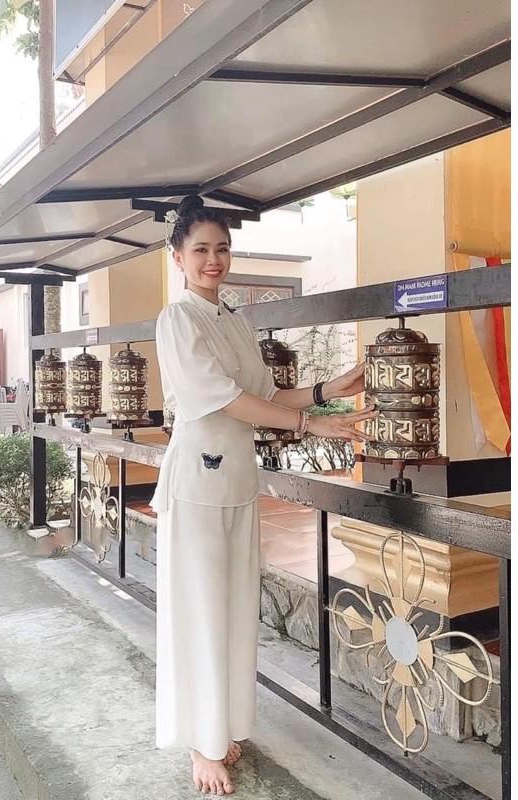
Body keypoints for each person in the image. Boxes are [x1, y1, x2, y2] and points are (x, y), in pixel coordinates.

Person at [150, 195, 376, 796]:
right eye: (201, 249)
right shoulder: (177, 320)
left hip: (238, 481)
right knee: (199, 610)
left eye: (222, 249)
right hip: (197, 483)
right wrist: (312, 424)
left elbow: (267, 395)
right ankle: (200, 742)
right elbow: (225, 400)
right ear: (178, 257)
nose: (214, 260)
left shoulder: (233, 319)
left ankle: (224, 726)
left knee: (232, 611)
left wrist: (331, 389)